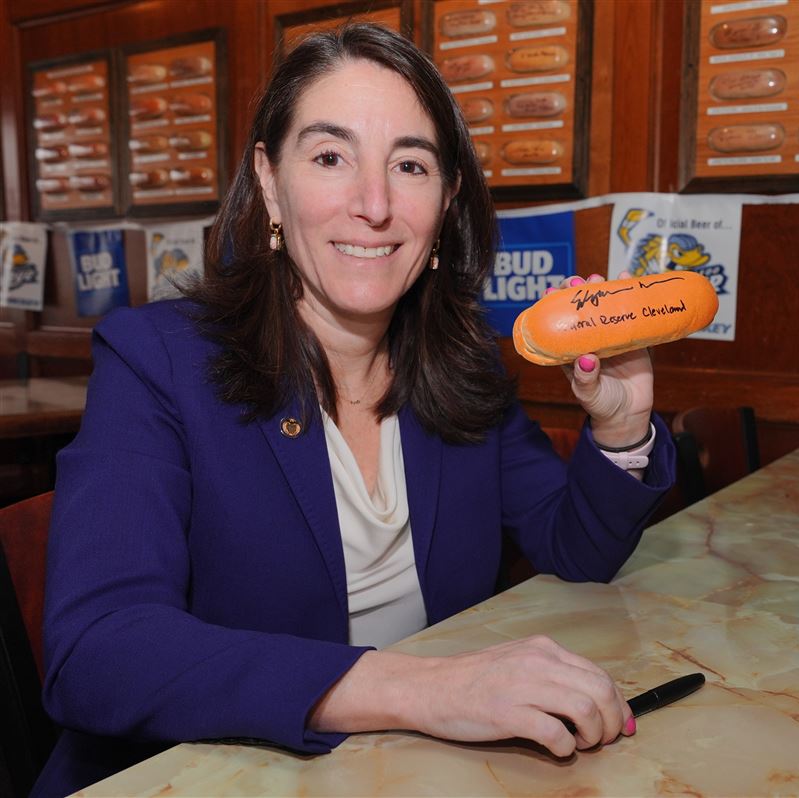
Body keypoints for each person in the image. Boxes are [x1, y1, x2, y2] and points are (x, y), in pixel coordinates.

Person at [32, 22, 675, 798]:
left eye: (410, 165)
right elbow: (97, 651)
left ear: (447, 200)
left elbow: (577, 552)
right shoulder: (156, 359)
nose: (374, 205)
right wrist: (423, 689)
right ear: (270, 182)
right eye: (330, 157)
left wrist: (619, 424)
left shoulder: (464, 360)